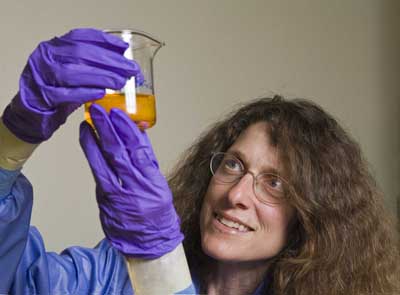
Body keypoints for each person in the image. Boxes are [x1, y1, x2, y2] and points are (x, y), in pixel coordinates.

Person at [0, 28, 398, 295]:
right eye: (233, 165)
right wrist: (12, 142)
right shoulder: (115, 273)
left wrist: (159, 265)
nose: (238, 194)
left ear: (311, 216)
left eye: (275, 183)